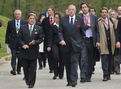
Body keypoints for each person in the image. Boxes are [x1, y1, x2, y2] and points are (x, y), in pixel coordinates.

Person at [58, 5, 88, 87]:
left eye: (72, 9)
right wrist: (61, 40)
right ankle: (69, 80)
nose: (71, 11)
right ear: (68, 10)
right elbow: (60, 31)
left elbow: (83, 33)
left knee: (74, 61)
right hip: (65, 45)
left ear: (75, 10)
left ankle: (74, 80)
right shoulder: (63, 19)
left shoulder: (80, 19)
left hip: (76, 45)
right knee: (68, 64)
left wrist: (81, 43)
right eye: (69, 9)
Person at [18, 13, 43, 88]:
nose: (32, 20)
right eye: (30, 18)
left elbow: (41, 39)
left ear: (35, 20)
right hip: (24, 52)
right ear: (28, 19)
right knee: (25, 67)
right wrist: (23, 45)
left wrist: (35, 42)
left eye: (33, 18)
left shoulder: (39, 28)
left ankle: (31, 83)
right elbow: (19, 38)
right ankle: (27, 79)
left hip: (34, 51)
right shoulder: (22, 28)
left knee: (33, 68)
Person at [80, 2, 100, 82]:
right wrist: (85, 26)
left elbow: (97, 30)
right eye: (83, 7)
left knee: (90, 59)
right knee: (83, 58)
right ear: (81, 9)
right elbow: (79, 29)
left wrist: (98, 41)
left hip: (91, 39)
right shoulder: (79, 17)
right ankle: (83, 76)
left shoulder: (94, 17)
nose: (84, 8)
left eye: (85, 7)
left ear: (88, 8)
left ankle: (89, 76)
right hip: (83, 40)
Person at [98, 7, 117, 81]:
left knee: (110, 59)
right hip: (103, 42)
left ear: (107, 13)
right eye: (102, 12)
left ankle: (108, 74)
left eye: (105, 12)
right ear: (100, 13)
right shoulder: (98, 22)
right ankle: (105, 75)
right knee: (104, 59)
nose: (104, 13)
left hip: (111, 42)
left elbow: (117, 31)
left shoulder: (112, 21)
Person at [5, 10, 27, 75]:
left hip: (21, 42)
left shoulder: (24, 22)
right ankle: (13, 68)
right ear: (14, 15)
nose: (17, 15)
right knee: (14, 56)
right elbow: (7, 33)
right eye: (16, 14)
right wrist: (7, 42)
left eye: (18, 14)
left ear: (21, 15)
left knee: (20, 57)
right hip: (13, 42)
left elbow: (25, 33)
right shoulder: (10, 22)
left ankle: (19, 69)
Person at [47, 12, 64, 80]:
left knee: (62, 59)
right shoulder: (52, 26)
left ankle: (61, 73)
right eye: (55, 17)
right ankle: (55, 72)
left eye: (57, 17)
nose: (55, 19)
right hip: (55, 43)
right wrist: (49, 46)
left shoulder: (63, 25)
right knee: (55, 57)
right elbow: (50, 37)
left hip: (62, 44)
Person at [42, 6, 55, 73]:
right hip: (47, 39)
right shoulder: (45, 20)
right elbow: (42, 30)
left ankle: (55, 66)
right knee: (49, 54)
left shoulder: (56, 19)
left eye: (49, 10)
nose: (48, 12)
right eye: (47, 10)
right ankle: (51, 68)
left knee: (55, 54)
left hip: (55, 40)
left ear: (53, 11)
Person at [109, 10, 120, 74]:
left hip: (117, 39)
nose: (112, 15)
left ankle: (117, 69)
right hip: (110, 40)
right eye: (111, 14)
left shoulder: (118, 21)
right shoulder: (108, 21)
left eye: (113, 14)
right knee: (111, 55)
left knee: (117, 55)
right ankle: (111, 69)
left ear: (116, 15)